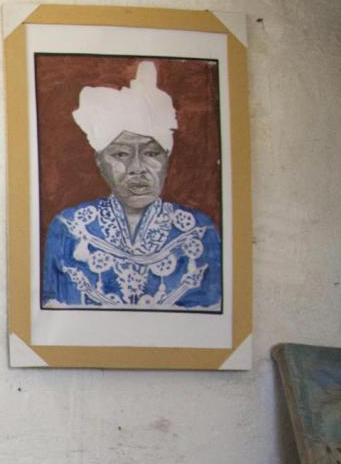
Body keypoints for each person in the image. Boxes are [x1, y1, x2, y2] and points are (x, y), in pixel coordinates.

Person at [41, 61, 222, 310]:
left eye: (152, 153)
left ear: (167, 158)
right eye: (121, 154)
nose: (137, 168)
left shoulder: (199, 230)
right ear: (100, 162)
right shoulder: (70, 228)